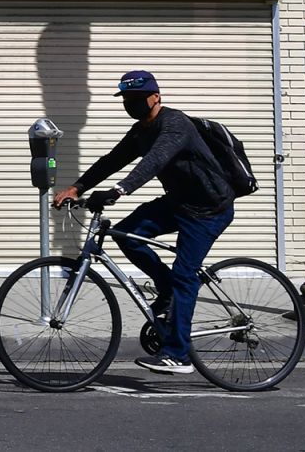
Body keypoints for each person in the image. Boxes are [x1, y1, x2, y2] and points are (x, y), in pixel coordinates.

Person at [52, 70, 235, 375]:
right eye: (127, 99)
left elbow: (154, 162)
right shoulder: (141, 131)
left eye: (138, 99)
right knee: (126, 233)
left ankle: (178, 355)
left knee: (184, 274)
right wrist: (77, 188)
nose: (132, 104)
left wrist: (119, 191)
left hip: (208, 210)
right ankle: (166, 291)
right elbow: (112, 160)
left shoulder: (175, 124)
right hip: (178, 203)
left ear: (156, 97)